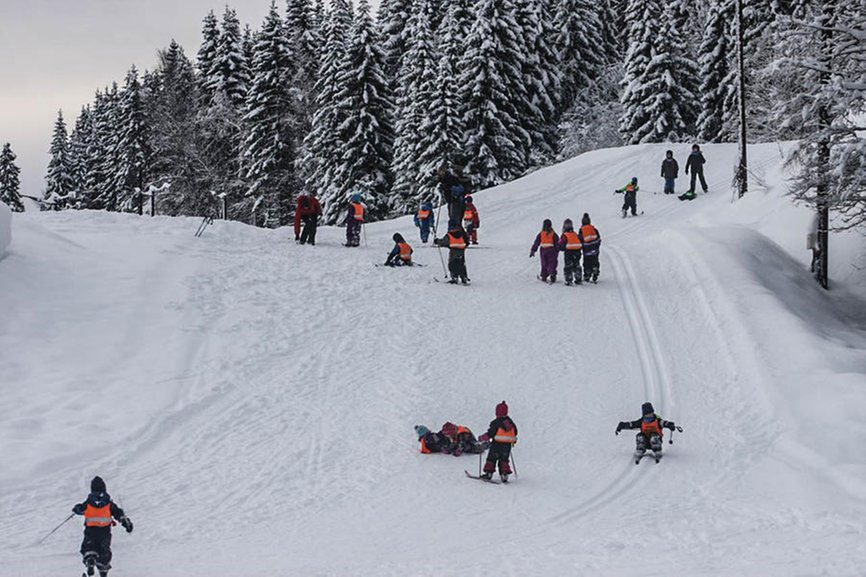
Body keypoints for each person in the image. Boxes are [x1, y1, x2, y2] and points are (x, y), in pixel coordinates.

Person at [72, 476, 133, 577]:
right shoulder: (108, 503)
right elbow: (118, 513)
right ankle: (103, 570)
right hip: (104, 531)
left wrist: (76, 509)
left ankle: (90, 559)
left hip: (91, 530)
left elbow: (79, 509)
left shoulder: (88, 502)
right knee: (104, 550)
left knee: (88, 546)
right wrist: (125, 522)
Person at [615, 402, 680, 460]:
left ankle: (657, 450)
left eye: (650, 414)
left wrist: (670, 425)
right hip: (645, 441)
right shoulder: (641, 422)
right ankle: (640, 449)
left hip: (655, 440)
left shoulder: (657, 420)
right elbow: (632, 424)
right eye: (647, 414)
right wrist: (622, 425)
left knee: (654, 436)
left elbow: (664, 423)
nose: (649, 416)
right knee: (640, 436)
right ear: (644, 415)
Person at [481, 401, 518, 482]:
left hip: (496, 444)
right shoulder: (511, 423)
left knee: (491, 459)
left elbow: (491, 433)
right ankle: (504, 475)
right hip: (507, 446)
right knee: (504, 460)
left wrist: (482, 438)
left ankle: (488, 473)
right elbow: (515, 432)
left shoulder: (495, 422)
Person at [438, 164, 471, 230]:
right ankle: (458, 235)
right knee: (454, 220)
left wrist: (448, 188)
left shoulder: (451, 178)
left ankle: (456, 235)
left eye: (441, 172)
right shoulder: (444, 179)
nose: (440, 174)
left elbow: (460, 189)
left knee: (455, 220)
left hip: (456, 201)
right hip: (452, 201)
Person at [530, 219, 560, 283]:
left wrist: (533, 250)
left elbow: (537, 242)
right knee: (552, 263)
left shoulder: (541, 234)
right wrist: (557, 250)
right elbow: (557, 242)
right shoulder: (553, 233)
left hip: (543, 250)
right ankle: (552, 274)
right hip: (551, 250)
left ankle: (544, 276)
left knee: (544, 264)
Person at [558, 218, 583, 286]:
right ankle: (578, 278)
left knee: (568, 265)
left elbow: (561, 244)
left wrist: (560, 248)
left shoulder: (564, 235)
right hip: (577, 251)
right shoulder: (575, 234)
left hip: (569, 251)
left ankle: (569, 279)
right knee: (577, 264)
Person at [578, 213, 601, 283]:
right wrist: (597, 247)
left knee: (586, 263)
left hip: (587, 250)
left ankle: (587, 274)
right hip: (595, 250)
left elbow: (580, 239)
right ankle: (595, 269)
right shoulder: (593, 229)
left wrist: (581, 247)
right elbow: (598, 238)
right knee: (595, 261)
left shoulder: (582, 230)